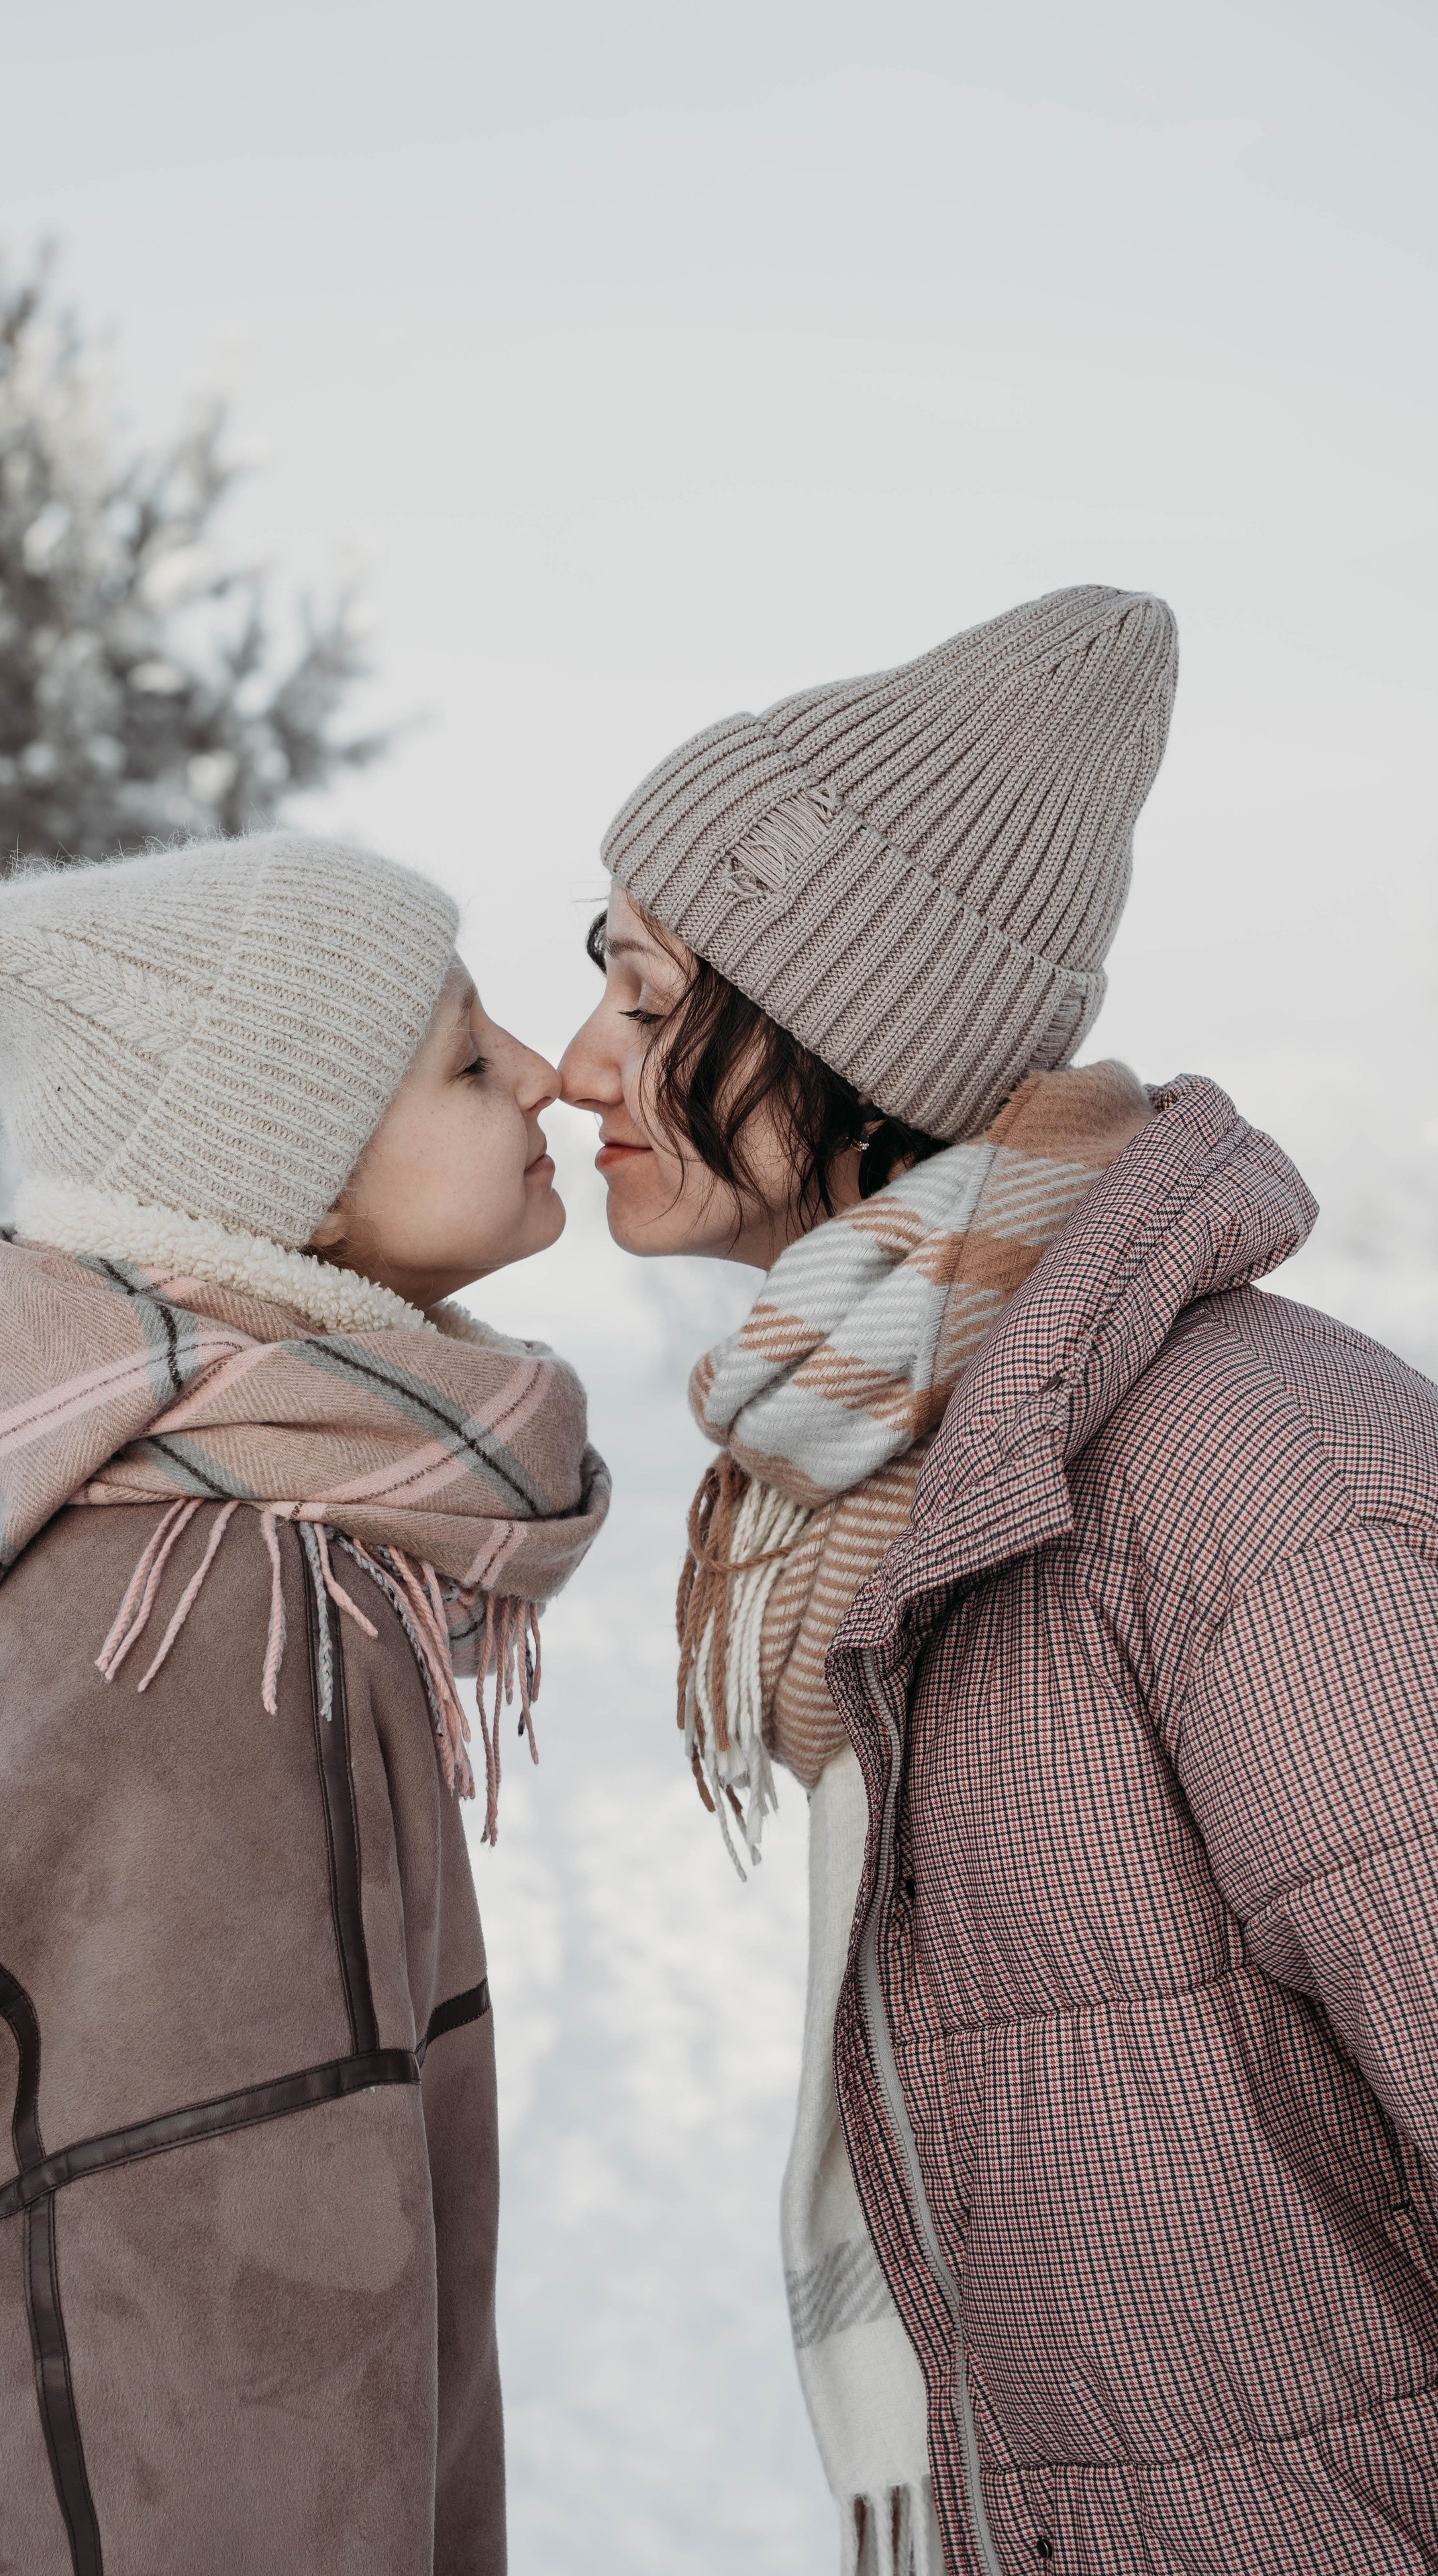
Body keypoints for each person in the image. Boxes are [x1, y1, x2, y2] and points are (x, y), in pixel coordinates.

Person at [560, 586, 1438, 2576]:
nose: (568, 1063)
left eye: (641, 989)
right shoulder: (919, 1458)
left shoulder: (1245, 1464)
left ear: (845, 1032)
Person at [0, 828, 609, 2576]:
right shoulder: (228, 1624)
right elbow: (217, 2392)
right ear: (299, 1192)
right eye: (458, 1054)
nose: (542, 1070)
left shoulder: (136, 1535)